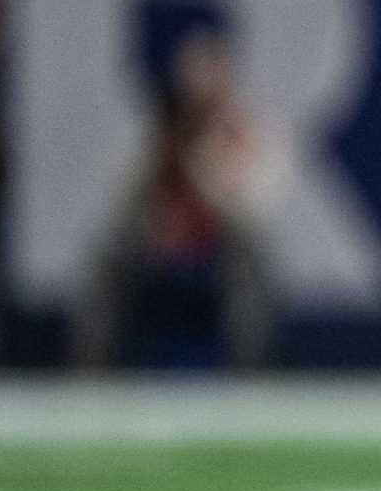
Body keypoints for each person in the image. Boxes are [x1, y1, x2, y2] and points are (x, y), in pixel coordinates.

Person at [73, 33, 273, 368]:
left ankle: (253, 369)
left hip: (218, 244)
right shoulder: (163, 134)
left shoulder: (236, 133)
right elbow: (132, 195)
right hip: (161, 239)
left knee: (253, 256)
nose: (202, 93)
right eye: (195, 83)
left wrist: (209, 174)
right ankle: (91, 370)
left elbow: (252, 202)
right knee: (107, 255)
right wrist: (163, 220)